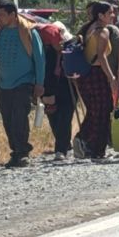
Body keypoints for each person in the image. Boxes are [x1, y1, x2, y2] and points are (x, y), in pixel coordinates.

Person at [0, 1, 45, 168]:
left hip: (24, 82)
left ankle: (23, 153)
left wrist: (39, 83)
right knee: (7, 120)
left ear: (12, 15)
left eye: (2, 14)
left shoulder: (28, 32)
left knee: (19, 118)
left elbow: (39, 59)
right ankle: (15, 152)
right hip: (5, 84)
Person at [73, 1, 117, 160]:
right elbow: (101, 56)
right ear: (100, 15)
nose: (113, 16)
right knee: (103, 110)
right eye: (110, 13)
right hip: (97, 74)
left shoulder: (88, 28)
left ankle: (87, 144)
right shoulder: (103, 31)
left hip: (86, 76)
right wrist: (111, 77)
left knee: (95, 110)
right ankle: (93, 146)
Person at [38, 22, 75, 160]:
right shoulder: (47, 52)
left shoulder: (66, 48)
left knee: (64, 116)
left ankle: (62, 147)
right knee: (57, 115)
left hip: (64, 83)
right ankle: (63, 146)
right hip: (53, 84)